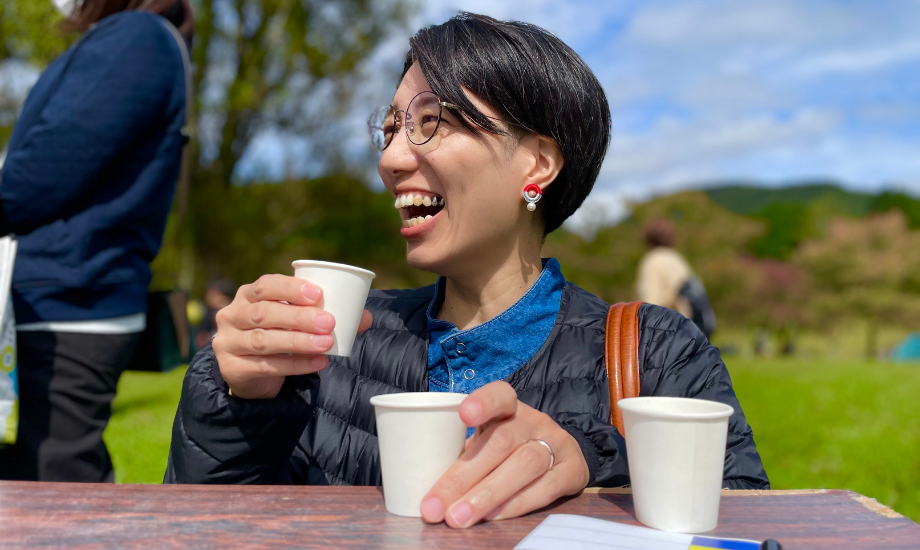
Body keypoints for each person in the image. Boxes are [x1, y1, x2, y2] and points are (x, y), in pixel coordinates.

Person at [165, 13, 768, 528]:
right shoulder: (334, 348)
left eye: (432, 121)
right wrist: (234, 398)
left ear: (537, 162)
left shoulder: (659, 354)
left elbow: (744, 523)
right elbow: (209, 525)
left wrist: (594, 461)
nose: (392, 158)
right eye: (391, 128)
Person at [0, 0, 193, 482]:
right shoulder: (132, 39)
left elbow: (40, 175)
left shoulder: (136, 40)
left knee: (53, 488)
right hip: (62, 293)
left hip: (69, 301)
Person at [637, 218, 717, 338]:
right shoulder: (677, 258)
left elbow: (651, 303)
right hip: (689, 326)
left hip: (670, 329)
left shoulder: (652, 260)